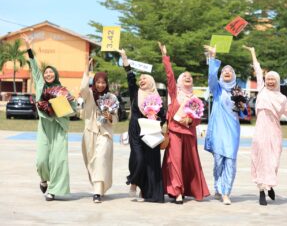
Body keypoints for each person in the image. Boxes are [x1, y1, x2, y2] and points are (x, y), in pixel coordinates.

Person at [21, 34, 76, 201]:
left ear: (56, 74)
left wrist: (61, 108)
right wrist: (30, 48)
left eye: (51, 72)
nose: (48, 74)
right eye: (46, 72)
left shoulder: (63, 90)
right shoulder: (40, 85)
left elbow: (72, 109)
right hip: (44, 127)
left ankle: (53, 190)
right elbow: (34, 69)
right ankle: (44, 179)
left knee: (59, 160)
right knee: (41, 160)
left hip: (59, 127)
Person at [159, 42, 210, 205]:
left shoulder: (195, 99)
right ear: (180, 82)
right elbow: (170, 77)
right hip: (174, 133)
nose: (188, 77)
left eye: (190, 77)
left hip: (189, 135)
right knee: (174, 162)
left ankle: (191, 189)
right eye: (184, 76)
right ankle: (177, 191)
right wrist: (165, 57)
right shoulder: (175, 94)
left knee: (190, 164)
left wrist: (191, 120)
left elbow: (197, 118)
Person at [243, 45, 287, 206]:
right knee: (259, 158)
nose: (270, 81)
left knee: (273, 160)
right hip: (260, 130)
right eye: (268, 79)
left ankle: (270, 185)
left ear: (277, 81)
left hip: (274, 131)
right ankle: (261, 191)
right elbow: (258, 70)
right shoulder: (262, 90)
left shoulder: (282, 98)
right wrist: (252, 53)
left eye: (273, 79)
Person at [118, 49, 166, 203]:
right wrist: (124, 58)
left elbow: (163, 116)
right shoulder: (135, 92)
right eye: (141, 78)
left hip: (151, 131)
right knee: (138, 158)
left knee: (151, 163)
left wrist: (156, 117)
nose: (142, 80)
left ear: (151, 81)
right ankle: (134, 181)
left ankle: (148, 192)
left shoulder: (156, 97)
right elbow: (130, 77)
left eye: (145, 78)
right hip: (135, 129)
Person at [204, 45, 240, 205]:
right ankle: (218, 187)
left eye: (230, 71)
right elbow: (212, 76)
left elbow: (245, 113)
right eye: (224, 70)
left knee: (230, 161)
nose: (227, 72)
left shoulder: (238, 91)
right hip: (218, 129)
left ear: (233, 75)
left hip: (232, 130)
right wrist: (213, 57)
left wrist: (243, 108)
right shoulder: (217, 89)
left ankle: (226, 192)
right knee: (218, 161)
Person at [80, 56, 117, 203]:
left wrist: (109, 117)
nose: (101, 85)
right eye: (98, 82)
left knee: (101, 159)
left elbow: (115, 119)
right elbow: (82, 89)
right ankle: (98, 187)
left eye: (103, 82)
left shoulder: (112, 97)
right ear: (94, 82)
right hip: (90, 132)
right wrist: (87, 71)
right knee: (92, 162)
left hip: (105, 133)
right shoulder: (89, 95)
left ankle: (97, 192)